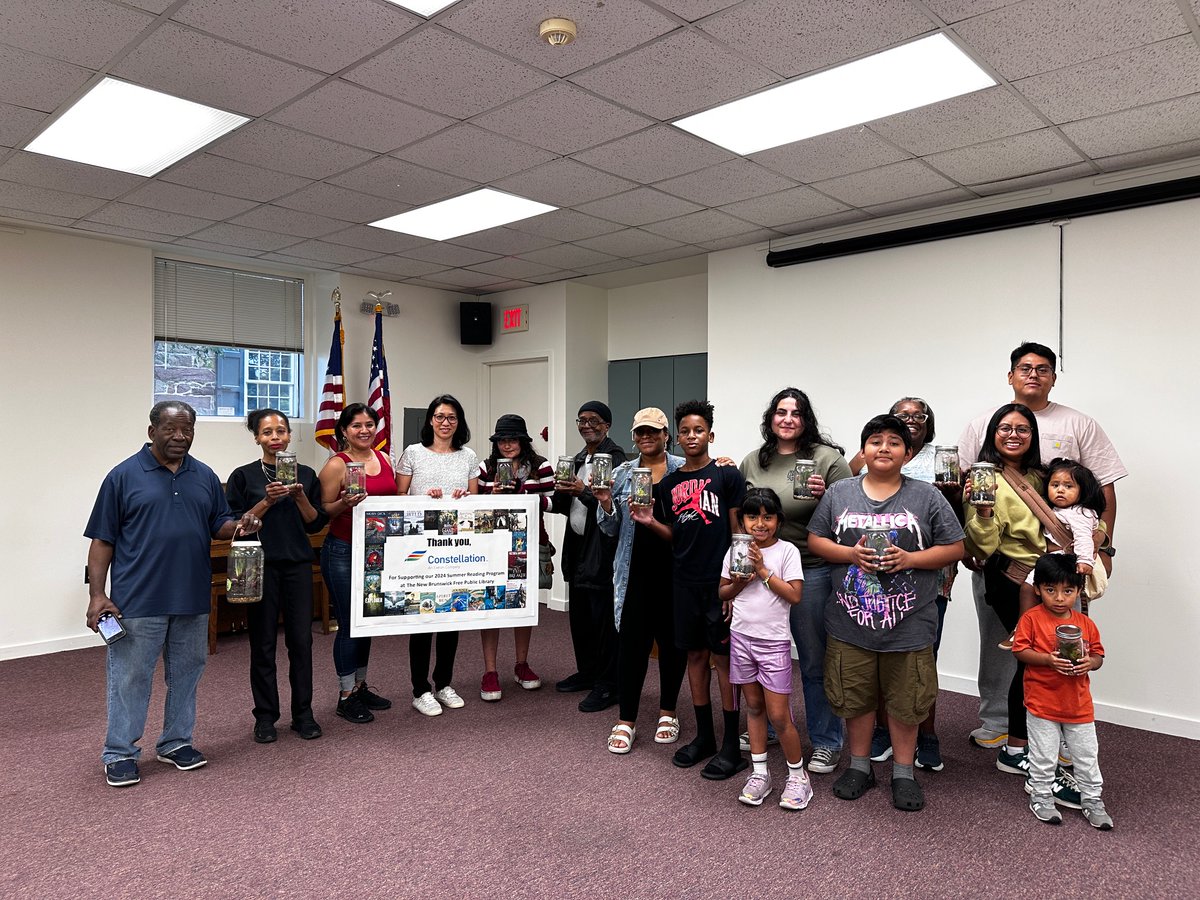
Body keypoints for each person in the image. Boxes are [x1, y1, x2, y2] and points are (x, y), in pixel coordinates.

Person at [958, 342, 1127, 750]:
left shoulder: (1078, 424)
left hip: (1057, 564)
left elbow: (1102, 489)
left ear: (1053, 376)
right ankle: (998, 720)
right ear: (1010, 375)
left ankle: (1051, 724)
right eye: (1025, 367)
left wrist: (1104, 547)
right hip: (999, 563)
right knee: (1000, 641)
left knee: (1053, 639)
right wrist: (967, 548)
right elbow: (961, 485)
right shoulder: (981, 423)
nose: (1033, 374)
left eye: (1043, 368)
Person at [85, 401, 261, 787]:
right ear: (152, 432)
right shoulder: (123, 476)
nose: (180, 437)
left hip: (193, 596)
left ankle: (176, 742)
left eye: (188, 430)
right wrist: (98, 595)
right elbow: (102, 541)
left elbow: (219, 525)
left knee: (187, 674)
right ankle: (120, 752)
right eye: (171, 429)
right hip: (138, 599)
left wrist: (241, 524)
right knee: (130, 678)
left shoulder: (205, 475)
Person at [807, 415, 964, 812]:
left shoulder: (927, 496)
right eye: (875, 441)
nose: (884, 448)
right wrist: (850, 554)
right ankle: (859, 766)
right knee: (855, 696)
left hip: (909, 622)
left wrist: (911, 558)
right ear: (863, 450)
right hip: (849, 619)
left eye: (894, 442)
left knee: (907, 699)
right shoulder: (840, 492)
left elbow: (956, 547)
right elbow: (815, 539)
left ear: (908, 454)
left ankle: (903, 771)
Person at [963, 403, 1081, 808]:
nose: (1013, 434)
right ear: (992, 432)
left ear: (1033, 435)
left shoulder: (1044, 475)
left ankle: (1030, 742)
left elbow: (1078, 511)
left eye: (1022, 429)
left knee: (1048, 657)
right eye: (1005, 428)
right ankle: (1017, 748)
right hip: (1010, 579)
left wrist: (1097, 537)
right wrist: (980, 512)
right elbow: (981, 546)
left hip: (1052, 579)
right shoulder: (983, 477)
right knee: (1034, 659)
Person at [632, 400, 748, 780]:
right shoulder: (668, 485)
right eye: (685, 431)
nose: (692, 436)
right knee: (695, 658)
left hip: (719, 584)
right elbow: (674, 535)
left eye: (699, 430)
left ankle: (732, 742)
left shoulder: (727, 477)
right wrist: (650, 522)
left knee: (723, 661)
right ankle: (705, 737)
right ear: (676, 438)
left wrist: (734, 582)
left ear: (710, 435)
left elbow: (739, 531)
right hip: (683, 583)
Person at [738, 387, 851, 775]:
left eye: (797, 413)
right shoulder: (753, 461)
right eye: (781, 412)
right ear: (771, 418)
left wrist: (826, 496)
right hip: (759, 571)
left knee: (815, 659)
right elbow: (742, 516)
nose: (788, 419)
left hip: (811, 568)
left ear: (806, 420)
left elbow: (850, 517)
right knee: (764, 652)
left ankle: (826, 740)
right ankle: (769, 724)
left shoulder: (826, 459)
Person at [851, 397, 960, 772]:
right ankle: (883, 732)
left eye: (919, 415)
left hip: (926, 574)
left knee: (920, 662)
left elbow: (957, 524)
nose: (911, 420)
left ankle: (926, 736)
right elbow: (845, 489)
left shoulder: (944, 459)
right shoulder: (873, 453)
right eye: (903, 416)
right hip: (869, 580)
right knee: (876, 657)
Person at [226, 408, 328, 743]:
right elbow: (237, 525)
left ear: (288, 436)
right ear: (257, 437)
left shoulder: (308, 474)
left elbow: (315, 522)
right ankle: (266, 717)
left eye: (281, 431)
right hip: (258, 565)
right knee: (263, 643)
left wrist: (299, 497)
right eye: (267, 432)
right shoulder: (243, 476)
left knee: (302, 642)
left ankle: (304, 714)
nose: (275, 437)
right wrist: (266, 503)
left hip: (297, 565)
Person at [594, 407, 688, 754]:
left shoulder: (685, 470)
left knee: (672, 644)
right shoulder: (620, 473)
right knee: (632, 646)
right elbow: (610, 529)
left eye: (654, 431)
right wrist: (605, 502)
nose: (646, 437)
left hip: (675, 570)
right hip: (634, 570)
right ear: (633, 437)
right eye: (640, 432)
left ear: (666, 435)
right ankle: (627, 719)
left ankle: (668, 711)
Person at [718, 489, 811, 810]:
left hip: (773, 644)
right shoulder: (735, 551)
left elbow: (794, 595)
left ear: (778, 521)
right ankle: (760, 774)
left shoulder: (787, 552)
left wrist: (762, 571)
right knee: (754, 708)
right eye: (752, 516)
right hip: (742, 639)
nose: (760, 523)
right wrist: (741, 581)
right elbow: (723, 591)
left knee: (778, 715)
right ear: (742, 521)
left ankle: (798, 777)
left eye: (768, 517)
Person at [1013, 554, 1112, 829]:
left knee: (1086, 755)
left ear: (1079, 591)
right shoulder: (1031, 619)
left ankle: (1092, 800)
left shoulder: (1086, 624)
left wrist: (1088, 663)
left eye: (1068, 591)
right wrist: (1047, 659)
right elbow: (1020, 650)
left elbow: (1099, 657)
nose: (1059, 598)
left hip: (1078, 705)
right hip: (1042, 703)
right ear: (1037, 589)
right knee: (1043, 755)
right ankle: (1042, 796)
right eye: (1050, 590)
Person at [395, 394, 478, 716]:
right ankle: (420, 690)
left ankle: (443, 683)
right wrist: (422, 499)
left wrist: (464, 495)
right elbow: (400, 496)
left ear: (459, 422)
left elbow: (474, 498)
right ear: (430, 419)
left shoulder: (468, 456)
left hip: (456, 549)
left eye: (452, 418)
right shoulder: (413, 453)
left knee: (450, 618)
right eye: (440, 416)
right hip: (420, 548)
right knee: (423, 618)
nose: (446, 423)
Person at [318, 403, 396, 725]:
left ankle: (360, 686)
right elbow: (323, 512)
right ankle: (345, 695)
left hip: (377, 554)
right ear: (344, 431)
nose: (364, 430)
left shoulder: (386, 459)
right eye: (356, 426)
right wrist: (343, 503)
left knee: (369, 623)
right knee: (350, 625)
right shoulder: (337, 464)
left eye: (369, 424)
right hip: (343, 551)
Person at [550, 401, 628, 712]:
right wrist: (557, 491)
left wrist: (583, 490)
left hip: (602, 549)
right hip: (577, 546)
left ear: (607, 425)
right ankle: (588, 672)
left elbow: (615, 505)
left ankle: (610, 684)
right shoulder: (579, 458)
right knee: (580, 616)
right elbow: (562, 506)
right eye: (581, 420)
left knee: (603, 620)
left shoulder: (617, 458)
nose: (586, 425)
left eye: (593, 420)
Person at [475, 413, 553, 702]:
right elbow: (472, 503)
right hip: (492, 544)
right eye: (502, 440)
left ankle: (522, 664)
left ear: (523, 440)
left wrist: (526, 494)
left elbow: (556, 500)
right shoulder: (486, 467)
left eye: (513, 439)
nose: (507, 445)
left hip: (530, 541)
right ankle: (490, 670)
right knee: (492, 603)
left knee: (524, 604)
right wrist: (492, 492)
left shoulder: (540, 465)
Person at [1001, 458, 1107, 649]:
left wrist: (1084, 562)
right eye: (1055, 485)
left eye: (1068, 486)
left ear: (1082, 491)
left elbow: (1084, 537)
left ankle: (1027, 632)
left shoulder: (1079, 513)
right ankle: (1023, 629)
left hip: (1067, 562)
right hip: (1052, 560)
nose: (1060, 490)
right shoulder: (1059, 509)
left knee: (1060, 602)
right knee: (1031, 589)